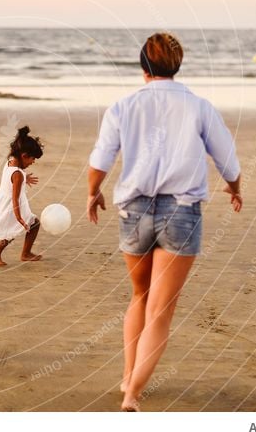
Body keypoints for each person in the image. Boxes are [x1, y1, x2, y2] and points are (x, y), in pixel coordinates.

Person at [86, 32, 242, 411]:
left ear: (143, 69)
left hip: (133, 210)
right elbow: (228, 159)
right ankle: (132, 393)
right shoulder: (198, 107)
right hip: (181, 211)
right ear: (177, 66)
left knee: (139, 296)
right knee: (161, 308)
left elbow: (100, 160)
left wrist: (94, 192)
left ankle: (128, 375)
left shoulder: (123, 106)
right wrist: (235, 187)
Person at [0, 126, 44, 266]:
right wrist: (18, 217)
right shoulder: (17, 174)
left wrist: (25, 178)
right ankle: (11, 252)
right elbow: (15, 197)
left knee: (16, 229)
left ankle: (11, 252)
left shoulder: (11, 162)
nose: (33, 162)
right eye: (32, 159)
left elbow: (13, 178)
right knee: (30, 225)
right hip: (14, 205)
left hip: (7, 202)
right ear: (24, 156)